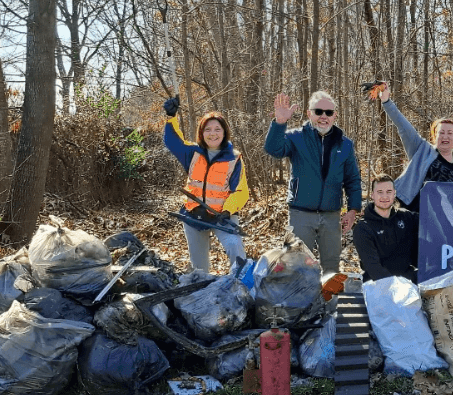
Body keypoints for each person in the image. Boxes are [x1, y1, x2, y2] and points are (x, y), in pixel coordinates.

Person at [265, 91, 362, 274]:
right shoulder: (295, 137)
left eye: (329, 112)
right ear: (309, 114)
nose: (323, 117)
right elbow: (273, 149)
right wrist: (279, 123)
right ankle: (300, 303)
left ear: (335, 116)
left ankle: (329, 304)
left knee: (331, 268)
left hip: (332, 216)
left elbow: (352, 180)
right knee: (296, 266)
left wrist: (352, 210)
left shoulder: (345, 144)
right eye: (318, 111)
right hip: (301, 214)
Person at [162, 97, 248, 272]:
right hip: (194, 216)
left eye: (217, 129)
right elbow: (173, 141)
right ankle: (203, 293)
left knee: (235, 248)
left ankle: (243, 287)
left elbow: (240, 191)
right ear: (201, 133)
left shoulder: (234, 158)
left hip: (222, 217)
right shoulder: (192, 153)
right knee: (199, 269)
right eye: (207, 129)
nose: (213, 133)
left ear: (224, 133)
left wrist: (227, 210)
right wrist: (171, 116)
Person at [376, 83, 453, 211]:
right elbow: (404, 127)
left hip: (444, 221)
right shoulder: (422, 149)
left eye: (450, 133)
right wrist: (387, 102)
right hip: (414, 216)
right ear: (434, 135)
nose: (445, 137)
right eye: (441, 133)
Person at [351, 175, 419, 282]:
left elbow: (431, 222)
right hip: (378, 284)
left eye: (388, 192)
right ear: (372, 195)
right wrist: (396, 287)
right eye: (380, 192)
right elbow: (374, 268)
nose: (385, 196)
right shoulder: (363, 228)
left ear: (394, 194)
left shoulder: (406, 217)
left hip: (408, 279)